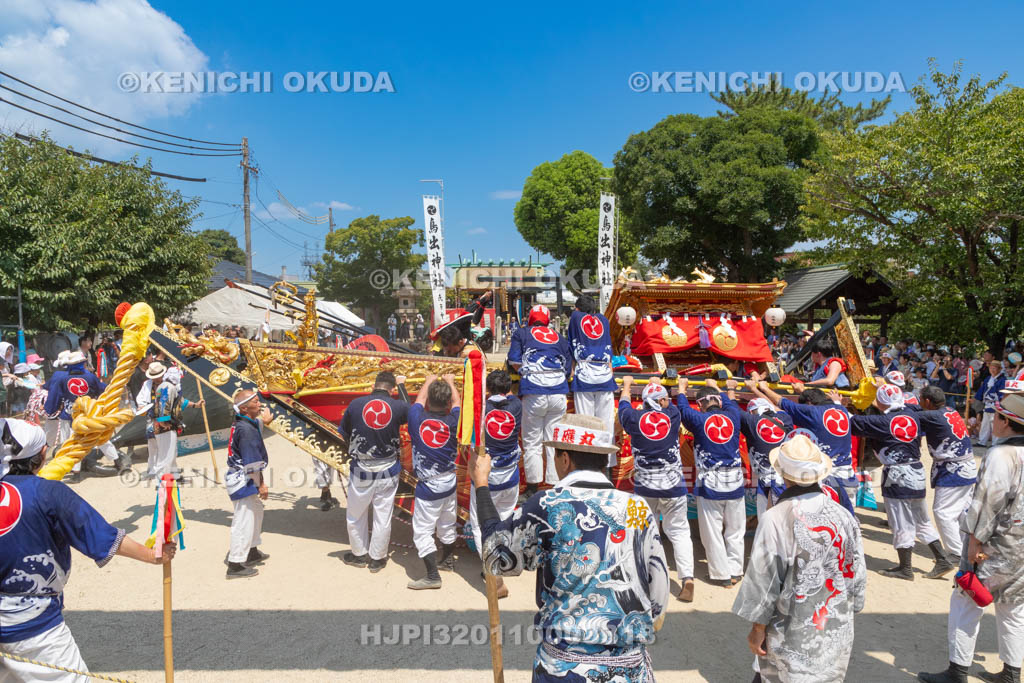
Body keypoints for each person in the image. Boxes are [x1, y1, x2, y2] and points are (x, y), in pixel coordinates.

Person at [474, 412, 669, 681]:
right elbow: (659, 590)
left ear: (565, 459)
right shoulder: (637, 507)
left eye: (555, 456)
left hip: (564, 670)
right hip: (629, 669)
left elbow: (495, 554)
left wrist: (481, 483)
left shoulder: (547, 503)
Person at [0, 418, 175, 679]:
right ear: (41, 455)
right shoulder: (48, 493)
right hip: (36, 626)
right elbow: (101, 536)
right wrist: (152, 555)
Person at [733, 434, 867, 683]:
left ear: (784, 475)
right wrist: (854, 605)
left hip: (791, 628)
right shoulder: (843, 515)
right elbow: (855, 570)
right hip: (834, 624)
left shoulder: (776, 517)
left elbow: (764, 580)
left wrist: (757, 628)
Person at [918, 392, 1024, 683]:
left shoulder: (1001, 455)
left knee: (966, 600)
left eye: (997, 416)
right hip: (1020, 546)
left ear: (1005, 421)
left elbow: (987, 503)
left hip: (992, 545)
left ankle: (958, 670)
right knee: (1013, 608)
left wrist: (975, 542)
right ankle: (1011, 673)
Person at [851, 383, 953, 580]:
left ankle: (905, 568)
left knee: (900, 522)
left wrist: (838, 403)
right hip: (916, 471)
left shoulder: (883, 421)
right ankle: (942, 559)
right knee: (922, 521)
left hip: (897, 475)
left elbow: (853, 422)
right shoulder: (913, 414)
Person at [618, 375, 695, 602]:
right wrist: (662, 384)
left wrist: (627, 385)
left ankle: (641, 579)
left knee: (642, 533)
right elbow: (669, 403)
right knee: (680, 532)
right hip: (674, 487)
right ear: (661, 401)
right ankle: (687, 579)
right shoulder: (672, 415)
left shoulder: (633, 418)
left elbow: (623, 404)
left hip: (645, 488)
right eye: (664, 399)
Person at [676, 376, 746, 586]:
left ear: (700, 404)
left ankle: (721, 574)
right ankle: (736, 571)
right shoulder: (733, 416)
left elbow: (682, 409)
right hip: (735, 481)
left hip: (711, 483)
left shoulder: (699, 420)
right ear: (719, 400)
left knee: (712, 532)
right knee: (735, 531)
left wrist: (681, 388)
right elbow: (730, 402)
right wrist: (716, 386)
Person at [338, 371, 410, 572]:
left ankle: (359, 554)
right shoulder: (397, 406)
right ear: (392, 389)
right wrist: (402, 386)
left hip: (362, 469)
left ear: (373, 385)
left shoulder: (355, 405)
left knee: (355, 515)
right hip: (388, 469)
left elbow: (344, 433)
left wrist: (354, 451)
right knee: (383, 516)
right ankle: (377, 558)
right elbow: (410, 410)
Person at [748, 375, 858, 504]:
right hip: (848, 475)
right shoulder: (842, 410)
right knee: (848, 515)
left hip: (828, 479)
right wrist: (803, 391)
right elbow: (816, 400)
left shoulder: (812, 412)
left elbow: (780, 402)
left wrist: (764, 389)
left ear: (809, 404)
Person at [467, 370, 521, 599]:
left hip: (486, 478)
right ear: (508, 389)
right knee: (505, 521)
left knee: (480, 526)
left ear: (488, 390)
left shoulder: (481, 410)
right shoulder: (516, 405)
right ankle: (503, 559)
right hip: (509, 477)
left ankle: (494, 572)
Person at [508, 304, 572, 494]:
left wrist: (527, 371)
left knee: (532, 443)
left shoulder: (522, 333)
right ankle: (554, 485)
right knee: (553, 441)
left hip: (534, 391)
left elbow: (514, 361)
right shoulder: (559, 337)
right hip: (558, 392)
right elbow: (568, 368)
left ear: (530, 318)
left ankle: (533, 487)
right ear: (548, 320)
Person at [406, 374, 461, 589]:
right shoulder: (454, 420)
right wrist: (451, 382)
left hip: (428, 487)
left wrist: (428, 380)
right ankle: (447, 560)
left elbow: (419, 400)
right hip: (449, 481)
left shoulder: (416, 419)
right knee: (447, 523)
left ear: (429, 400)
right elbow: (457, 402)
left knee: (422, 531)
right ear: (447, 402)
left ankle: (432, 576)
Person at [918, 385, 977, 561]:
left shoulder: (933, 415)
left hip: (954, 470)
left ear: (927, 401)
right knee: (961, 511)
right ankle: (964, 548)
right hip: (965, 466)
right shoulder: (951, 410)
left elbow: (908, 416)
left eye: (920, 399)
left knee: (943, 512)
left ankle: (956, 552)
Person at [41, 350, 119, 481]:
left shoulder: (62, 378)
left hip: (70, 415)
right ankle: (118, 462)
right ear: (83, 363)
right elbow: (102, 390)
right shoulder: (90, 377)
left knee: (71, 443)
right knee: (100, 438)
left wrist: (50, 409)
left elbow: (55, 396)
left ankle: (76, 473)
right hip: (90, 413)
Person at [224, 389, 272, 579]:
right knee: (244, 519)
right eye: (255, 402)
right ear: (244, 408)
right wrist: (261, 485)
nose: (259, 404)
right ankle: (235, 564)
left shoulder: (244, 423)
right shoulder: (246, 431)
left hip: (242, 477)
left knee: (256, 511)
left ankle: (251, 550)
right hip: (242, 479)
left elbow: (255, 423)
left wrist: (263, 421)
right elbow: (252, 464)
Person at [566, 295, 617, 466]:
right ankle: (606, 464)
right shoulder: (604, 320)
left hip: (585, 374)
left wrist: (570, 370)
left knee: (585, 421)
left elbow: (570, 345)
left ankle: (586, 463)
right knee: (606, 423)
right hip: (605, 374)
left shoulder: (575, 317)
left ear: (577, 309)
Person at [740, 395, 794, 518]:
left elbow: (732, 407)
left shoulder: (752, 421)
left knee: (767, 519)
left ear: (752, 412)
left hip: (766, 479)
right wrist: (757, 391)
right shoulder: (786, 418)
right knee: (784, 517)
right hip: (785, 478)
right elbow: (777, 409)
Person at [147, 363, 203, 479]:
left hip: (167, 424)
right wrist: (163, 421)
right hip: (164, 425)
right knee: (166, 456)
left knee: (171, 454)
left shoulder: (170, 387)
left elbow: (180, 401)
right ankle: (162, 481)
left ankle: (174, 477)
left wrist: (195, 405)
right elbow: (163, 404)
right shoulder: (167, 387)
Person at [976, 359, 1007, 447]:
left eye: (994, 368)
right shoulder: (988, 378)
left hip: (996, 404)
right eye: (991, 368)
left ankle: (995, 443)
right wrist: (976, 398)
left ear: (999, 369)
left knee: (995, 424)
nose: (992, 370)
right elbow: (982, 390)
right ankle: (982, 441)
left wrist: (998, 401)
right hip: (987, 404)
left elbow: (1002, 392)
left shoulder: (1003, 380)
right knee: (985, 424)